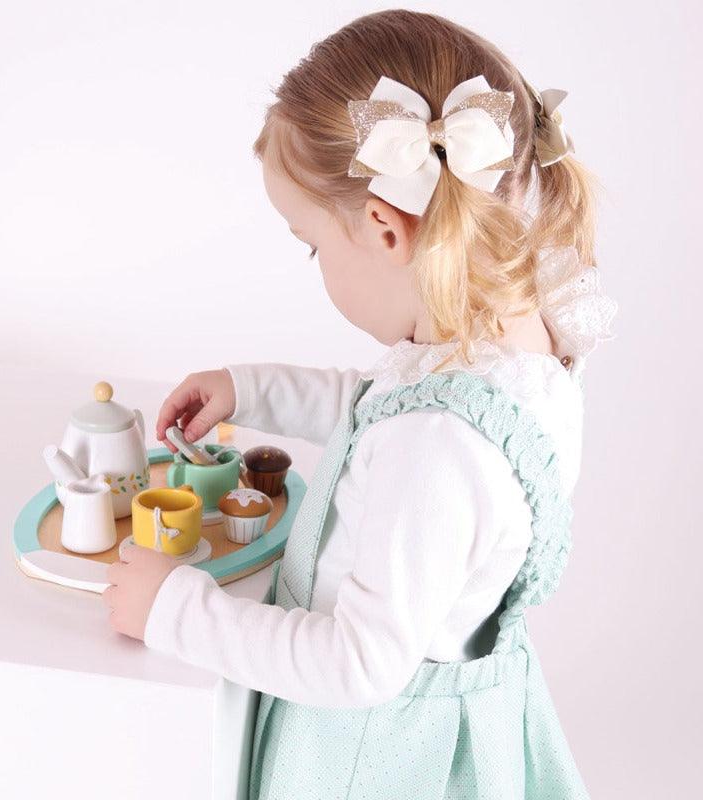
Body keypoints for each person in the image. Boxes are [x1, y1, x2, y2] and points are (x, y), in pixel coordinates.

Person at [102, 9, 618, 798]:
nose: (313, 262)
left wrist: (174, 611)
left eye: (310, 244)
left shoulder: (435, 445)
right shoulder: (512, 352)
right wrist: (252, 387)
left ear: (383, 227)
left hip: (363, 761)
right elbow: (383, 406)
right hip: (446, 722)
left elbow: (357, 662)